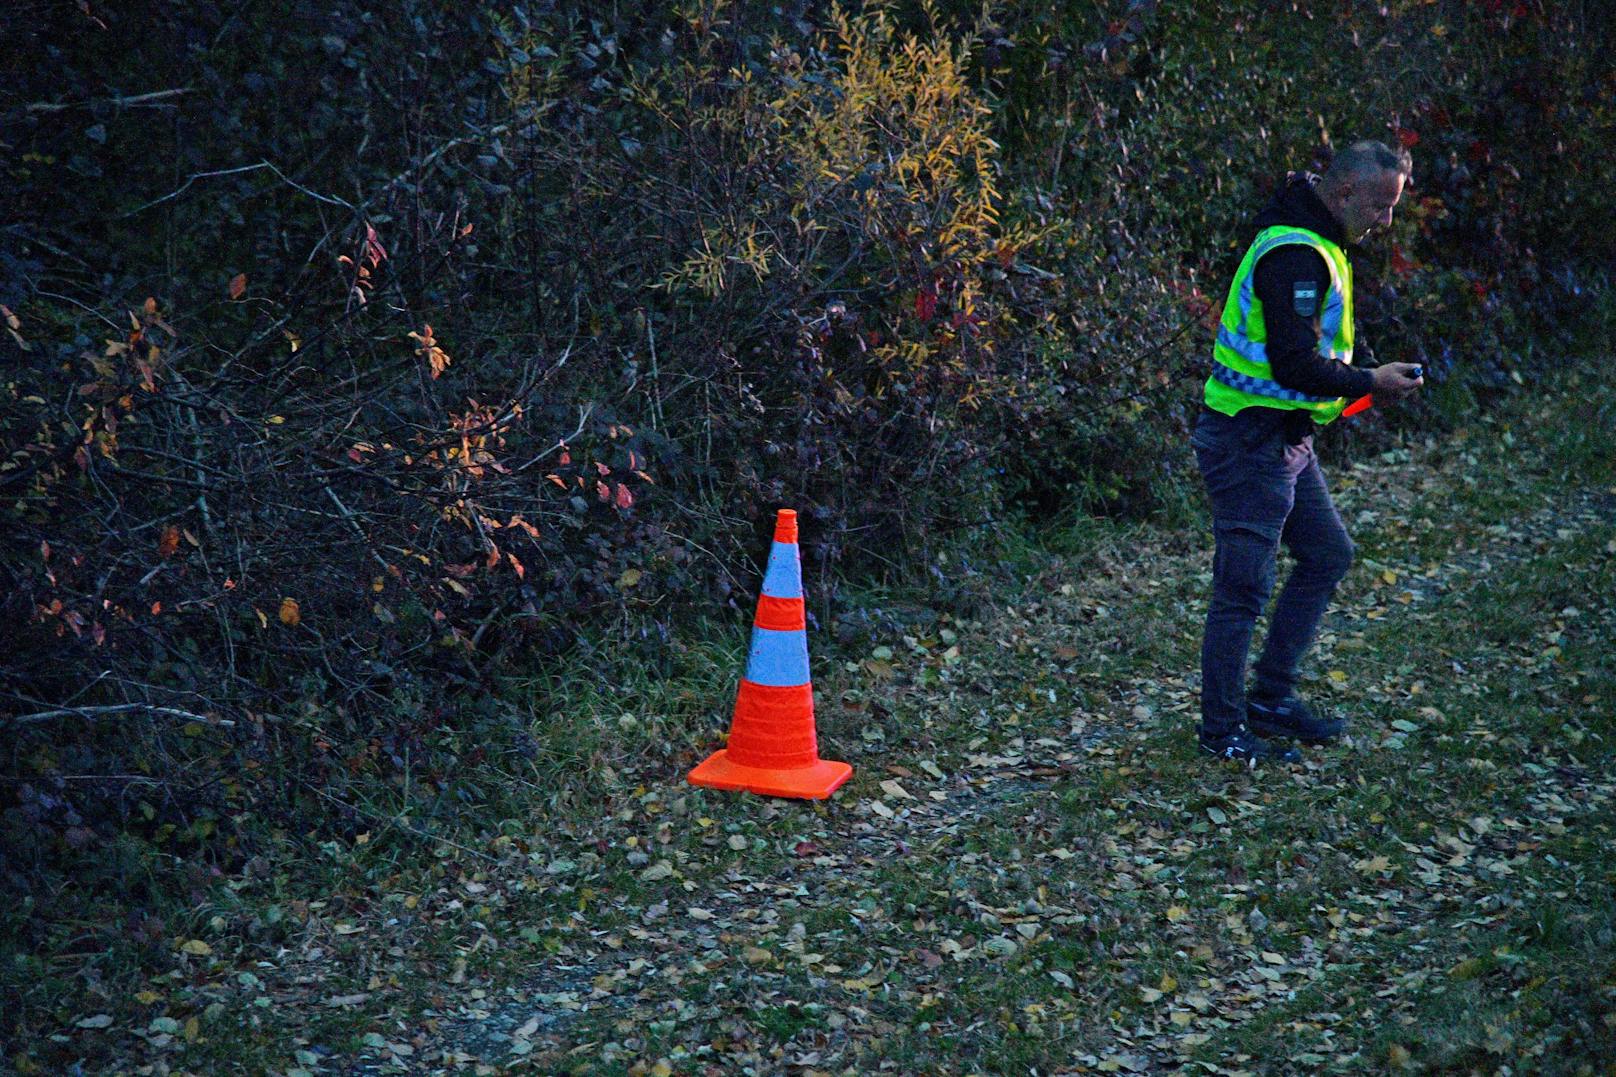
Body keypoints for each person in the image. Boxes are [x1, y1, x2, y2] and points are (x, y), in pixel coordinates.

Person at [1193, 140, 1424, 764]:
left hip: (1282, 439)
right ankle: (1222, 733)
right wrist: (1371, 381)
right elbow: (1293, 363)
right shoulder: (1297, 252)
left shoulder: (1317, 239)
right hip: (1249, 440)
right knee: (1242, 589)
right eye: (1381, 205)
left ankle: (1269, 701)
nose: (1386, 221)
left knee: (1328, 554)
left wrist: (1364, 386)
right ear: (1344, 192)